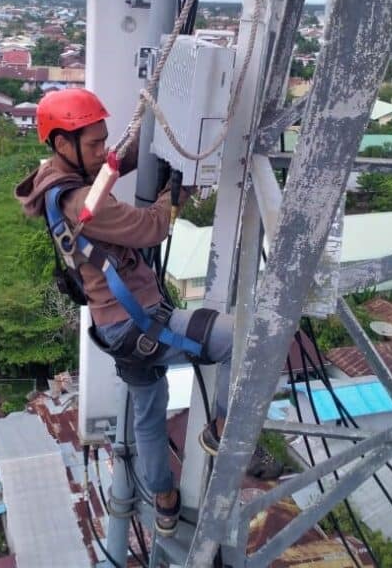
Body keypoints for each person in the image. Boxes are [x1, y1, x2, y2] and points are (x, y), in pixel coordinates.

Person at [15, 87, 235, 536]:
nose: (103, 150)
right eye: (93, 143)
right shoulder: (79, 204)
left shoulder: (56, 180)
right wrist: (178, 191)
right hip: (139, 323)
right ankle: (224, 427)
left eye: (103, 139)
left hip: (116, 328)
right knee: (246, 340)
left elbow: (113, 166)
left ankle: (165, 501)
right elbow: (152, 228)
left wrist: (157, 140)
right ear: (63, 144)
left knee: (149, 416)